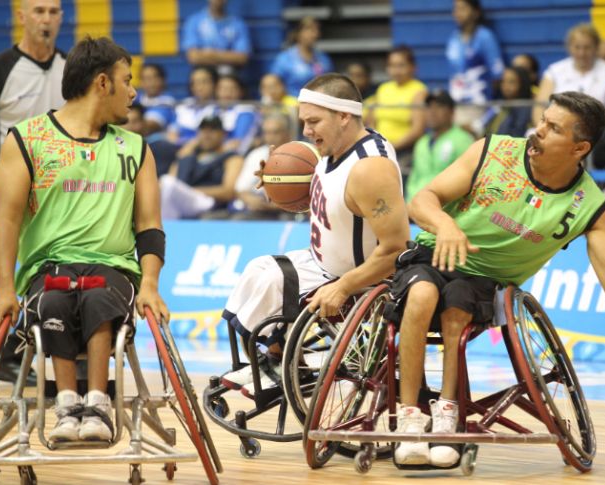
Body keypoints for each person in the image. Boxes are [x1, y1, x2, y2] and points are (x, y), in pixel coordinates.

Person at [391, 91, 605, 467]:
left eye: (553, 128)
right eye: (543, 120)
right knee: (422, 294)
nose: (538, 131)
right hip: (433, 255)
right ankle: (408, 416)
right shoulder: (493, 151)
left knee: (457, 311)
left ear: (580, 148)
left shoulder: (590, 206)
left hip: (486, 281)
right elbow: (424, 198)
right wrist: (445, 225)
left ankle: (447, 411)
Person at [0, 36, 170, 443]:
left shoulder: (136, 148)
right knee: (53, 300)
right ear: (102, 83)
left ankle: (99, 404)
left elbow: (150, 227)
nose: (133, 92)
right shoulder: (27, 139)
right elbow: (7, 220)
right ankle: (67, 403)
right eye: (127, 80)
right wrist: (5, 290)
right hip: (47, 269)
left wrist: (151, 284)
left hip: (113, 268)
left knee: (99, 298)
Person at [219, 73, 411, 397]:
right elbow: (334, 199)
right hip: (323, 263)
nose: (306, 131)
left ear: (344, 116)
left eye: (313, 122)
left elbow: (396, 249)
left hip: (358, 277)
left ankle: (280, 364)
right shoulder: (335, 148)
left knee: (272, 282)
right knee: (257, 270)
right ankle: (276, 360)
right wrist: (279, 182)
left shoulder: (370, 168)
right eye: (303, 122)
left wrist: (344, 286)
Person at [0, 0, 66, 385]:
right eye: (38, 11)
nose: (46, 18)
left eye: (53, 11)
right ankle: (5, 352)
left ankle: (35, 349)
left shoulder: (70, 69)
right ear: (21, 17)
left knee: (52, 264)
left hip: (57, 192)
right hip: (5, 186)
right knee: (25, 264)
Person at [533, 23, 605, 125]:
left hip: (599, 129)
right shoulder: (554, 71)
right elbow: (539, 107)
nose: (582, 53)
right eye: (577, 47)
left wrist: (593, 125)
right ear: (569, 47)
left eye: (587, 47)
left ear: (596, 47)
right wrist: (545, 127)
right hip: (557, 127)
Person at [159, 115, 244, 219]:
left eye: (212, 130)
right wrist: (185, 152)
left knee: (168, 183)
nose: (207, 135)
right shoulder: (189, 156)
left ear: (223, 134)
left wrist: (189, 191)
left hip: (209, 202)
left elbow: (229, 192)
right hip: (184, 201)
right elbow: (170, 180)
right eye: (203, 130)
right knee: (164, 183)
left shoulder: (231, 157)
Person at [367, 46, 428, 171]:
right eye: (392, 65)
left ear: (413, 67)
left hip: (405, 152)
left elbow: (417, 130)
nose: (396, 70)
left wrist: (391, 146)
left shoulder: (419, 90)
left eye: (401, 65)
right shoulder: (383, 88)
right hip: (379, 148)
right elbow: (371, 121)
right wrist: (377, 144)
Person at [446, 0, 504, 129]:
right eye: (455, 9)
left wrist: (486, 104)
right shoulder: (453, 38)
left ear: (476, 12)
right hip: (455, 103)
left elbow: (497, 74)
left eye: (462, 9)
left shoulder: (485, 37)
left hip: (478, 104)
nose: (457, 13)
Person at [406, 91, 474, 202]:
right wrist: (410, 203)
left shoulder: (463, 140)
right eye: (429, 107)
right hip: (416, 205)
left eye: (439, 106)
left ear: (451, 112)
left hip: (445, 206)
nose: (432, 112)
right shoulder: (421, 143)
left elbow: (469, 180)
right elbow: (414, 178)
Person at [182, 0, 251, 76]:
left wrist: (209, 55)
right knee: (200, 77)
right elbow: (193, 57)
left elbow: (242, 58)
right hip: (203, 71)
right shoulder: (194, 21)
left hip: (228, 72)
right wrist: (227, 56)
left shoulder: (238, 24)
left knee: (227, 81)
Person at [269, 17, 333, 97]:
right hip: (291, 102)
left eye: (316, 30)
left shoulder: (324, 59)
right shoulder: (284, 59)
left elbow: (330, 85)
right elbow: (273, 84)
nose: (315, 34)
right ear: (298, 33)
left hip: (317, 102)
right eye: (309, 29)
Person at [481, 66, 533, 138]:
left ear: (522, 83)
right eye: (503, 81)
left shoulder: (525, 108)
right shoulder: (499, 106)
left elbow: (517, 135)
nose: (506, 86)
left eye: (511, 82)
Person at [136, 63, 177, 136]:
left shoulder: (167, 102)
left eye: (155, 77)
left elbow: (149, 126)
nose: (151, 82)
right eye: (147, 78)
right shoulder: (136, 98)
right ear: (141, 82)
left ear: (163, 80)